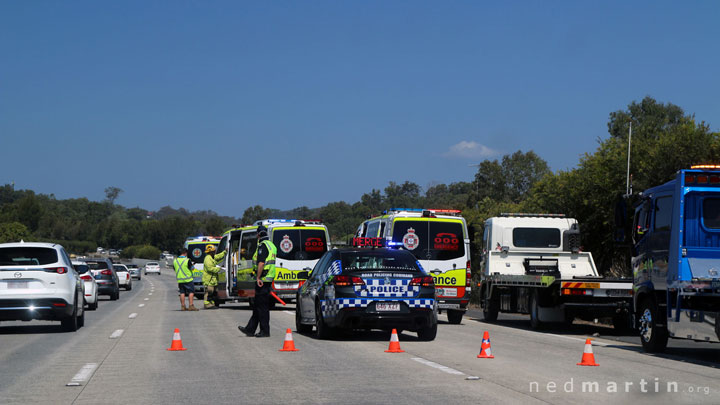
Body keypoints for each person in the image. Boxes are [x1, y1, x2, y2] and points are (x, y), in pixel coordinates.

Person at [238, 225, 277, 338]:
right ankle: (250, 329)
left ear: (259, 234)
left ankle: (265, 331)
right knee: (258, 306)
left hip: (263, 279)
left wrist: (258, 277)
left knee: (262, 307)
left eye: (257, 234)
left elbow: (261, 263)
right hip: (268, 278)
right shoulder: (271, 245)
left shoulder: (263, 246)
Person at [202, 244, 226, 309]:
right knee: (209, 292)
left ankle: (211, 304)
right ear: (210, 252)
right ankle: (207, 304)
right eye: (214, 251)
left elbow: (218, 256)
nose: (215, 252)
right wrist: (219, 269)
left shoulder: (212, 257)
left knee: (213, 293)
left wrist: (224, 252)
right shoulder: (207, 259)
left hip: (213, 279)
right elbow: (210, 268)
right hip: (209, 279)